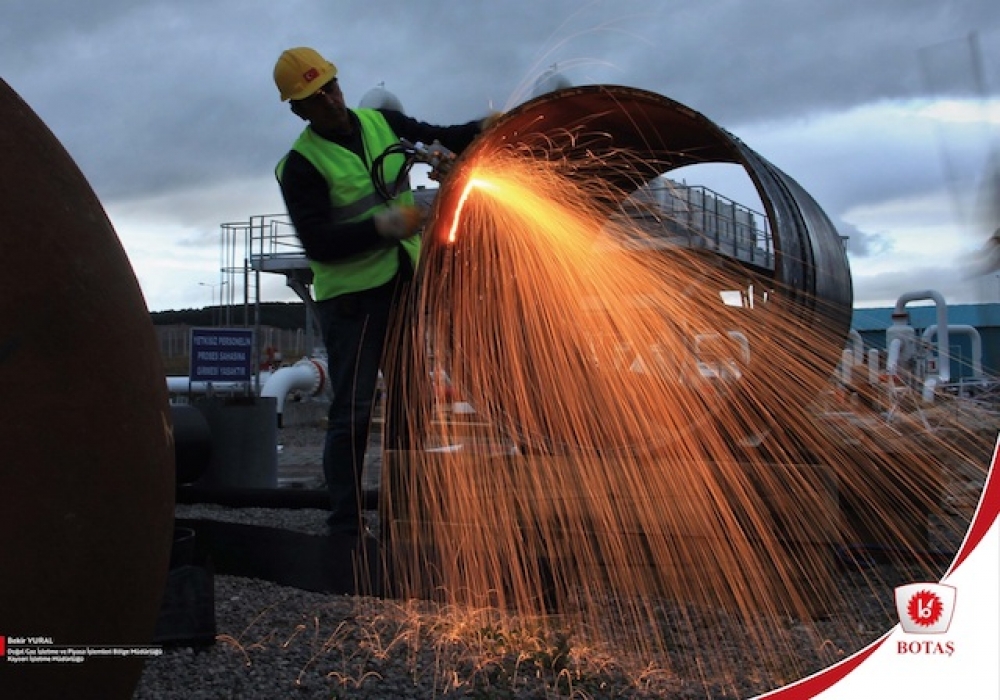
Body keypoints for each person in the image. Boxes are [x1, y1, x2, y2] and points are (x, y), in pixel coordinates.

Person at [273, 47, 494, 536]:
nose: (330, 101)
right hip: (351, 302)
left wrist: (486, 127)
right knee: (352, 412)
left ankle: (403, 514)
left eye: (330, 87)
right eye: (315, 97)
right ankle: (347, 525)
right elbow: (318, 243)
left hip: (401, 287)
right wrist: (385, 225)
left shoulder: (381, 124)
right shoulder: (301, 165)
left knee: (413, 405)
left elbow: (440, 137)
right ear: (298, 110)